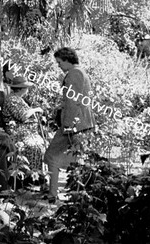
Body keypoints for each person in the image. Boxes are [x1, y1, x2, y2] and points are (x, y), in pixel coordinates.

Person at [43, 47, 96, 201]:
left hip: (74, 124)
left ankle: (55, 193)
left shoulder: (74, 73)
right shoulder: (80, 72)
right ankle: (77, 194)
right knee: (77, 159)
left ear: (67, 60)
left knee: (53, 156)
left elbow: (73, 101)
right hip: (81, 123)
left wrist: (67, 124)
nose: (58, 65)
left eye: (59, 62)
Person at [0, 76, 46, 173]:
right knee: (34, 147)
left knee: (41, 145)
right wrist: (36, 109)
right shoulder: (12, 100)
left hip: (27, 132)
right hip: (18, 132)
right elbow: (23, 116)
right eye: (26, 87)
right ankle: (29, 176)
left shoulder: (19, 99)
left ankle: (38, 176)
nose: (28, 90)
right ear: (21, 89)